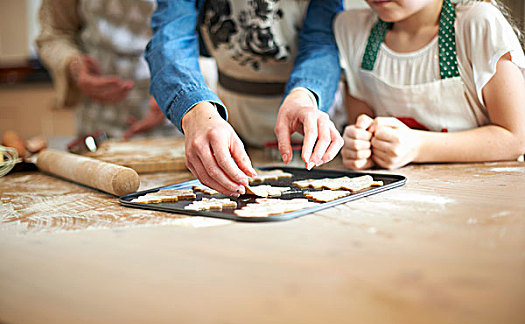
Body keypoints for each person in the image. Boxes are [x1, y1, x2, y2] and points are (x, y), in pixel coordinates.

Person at [146, 0, 344, 196]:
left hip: (311, 131)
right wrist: (195, 111)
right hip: (231, 124)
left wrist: (305, 96)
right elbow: (171, 40)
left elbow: (322, 43)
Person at [335, 0, 525, 170]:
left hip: (484, 191)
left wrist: (418, 147)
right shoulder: (352, 29)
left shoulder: (478, 23)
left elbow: (517, 138)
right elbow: (363, 127)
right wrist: (361, 148)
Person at [36, 0, 179, 139]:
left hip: (171, 121)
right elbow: (54, 34)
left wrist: (174, 82)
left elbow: (193, 34)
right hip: (96, 121)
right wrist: (75, 66)